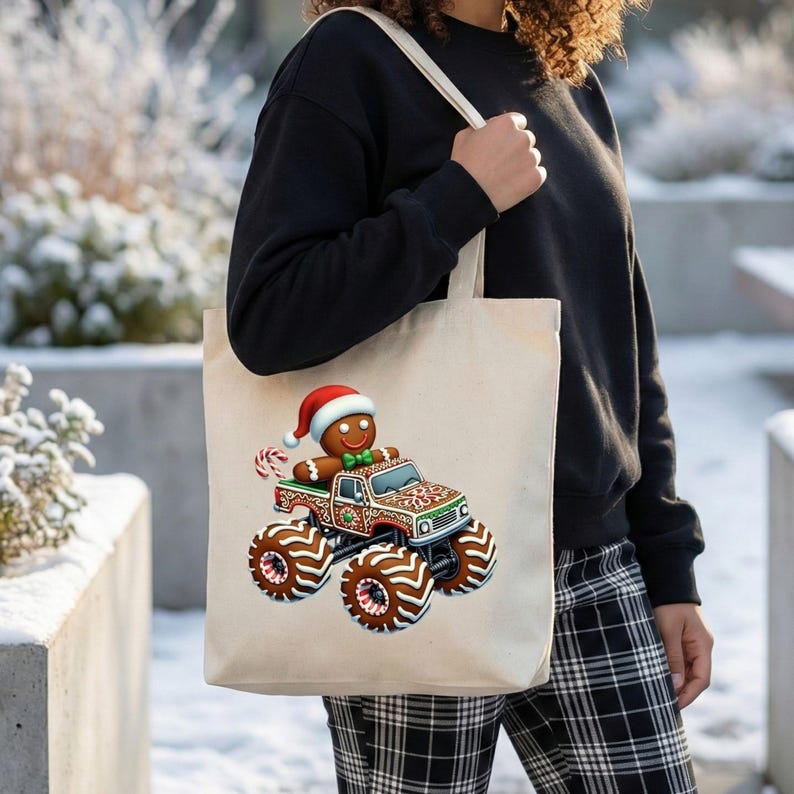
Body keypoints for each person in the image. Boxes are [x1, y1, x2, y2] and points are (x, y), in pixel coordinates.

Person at [226, 0, 714, 790]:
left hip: (592, 559)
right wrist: (459, 195)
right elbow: (269, 315)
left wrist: (668, 568)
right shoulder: (350, 58)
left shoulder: (563, 72)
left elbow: (622, 341)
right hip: (425, 552)